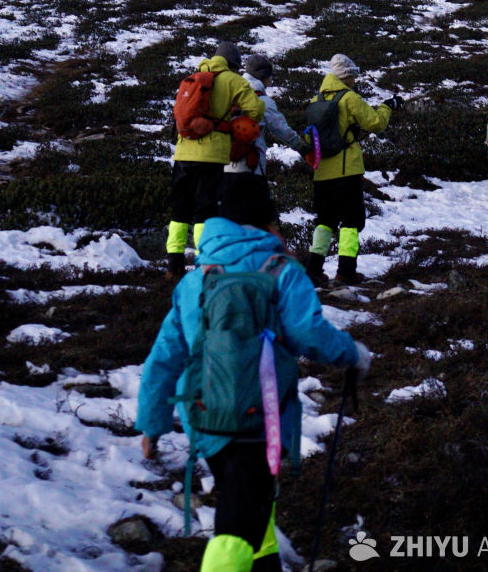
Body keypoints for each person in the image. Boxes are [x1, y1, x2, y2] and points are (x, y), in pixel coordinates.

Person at [136, 175, 372, 572]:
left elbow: (164, 357)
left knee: (249, 503)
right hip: (261, 421)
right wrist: (354, 355)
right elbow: (309, 334)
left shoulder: (194, 280)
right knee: (236, 525)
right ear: (267, 222)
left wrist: (152, 423)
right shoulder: (283, 271)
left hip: (205, 420)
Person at [167, 42, 265, 281]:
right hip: (211, 157)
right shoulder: (234, 80)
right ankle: (204, 263)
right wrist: (233, 121)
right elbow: (257, 110)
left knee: (179, 212)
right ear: (233, 64)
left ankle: (173, 265)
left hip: (182, 154)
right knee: (205, 211)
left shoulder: (193, 77)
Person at [305, 54, 396, 286]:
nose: (355, 80)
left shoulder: (316, 101)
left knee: (324, 221)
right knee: (351, 222)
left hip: (322, 172)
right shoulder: (349, 98)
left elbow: (309, 137)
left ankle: (314, 269)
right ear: (346, 76)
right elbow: (376, 122)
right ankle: (346, 271)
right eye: (353, 75)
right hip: (347, 171)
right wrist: (387, 107)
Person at [218, 54, 306, 233]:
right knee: (256, 221)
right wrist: (303, 148)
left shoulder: (229, 96)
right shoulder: (263, 101)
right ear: (264, 77)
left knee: (230, 221)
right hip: (252, 172)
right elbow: (283, 131)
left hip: (223, 170)